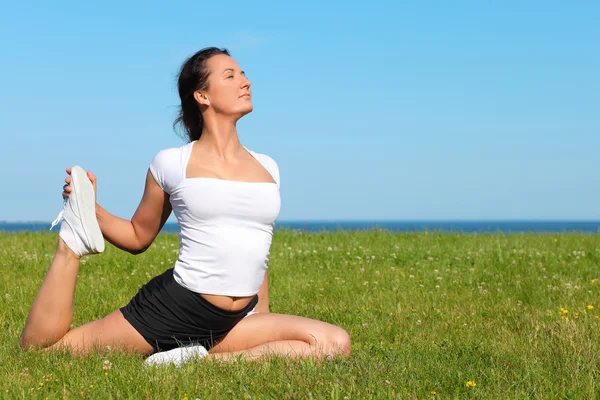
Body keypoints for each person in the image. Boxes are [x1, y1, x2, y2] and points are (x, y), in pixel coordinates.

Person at [20, 47, 351, 365]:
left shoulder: (268, 167)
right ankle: (70, 245)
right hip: (175, 307)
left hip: (234, 318)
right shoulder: (172, 163)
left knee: (334, 342)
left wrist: (260, 318)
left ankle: (194, 361)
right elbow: (138, 236)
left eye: (244, 74)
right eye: (230, 76)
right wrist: (89, 208)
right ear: (202, 95)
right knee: (47, 354)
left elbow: (254, 247)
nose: (245, 82)